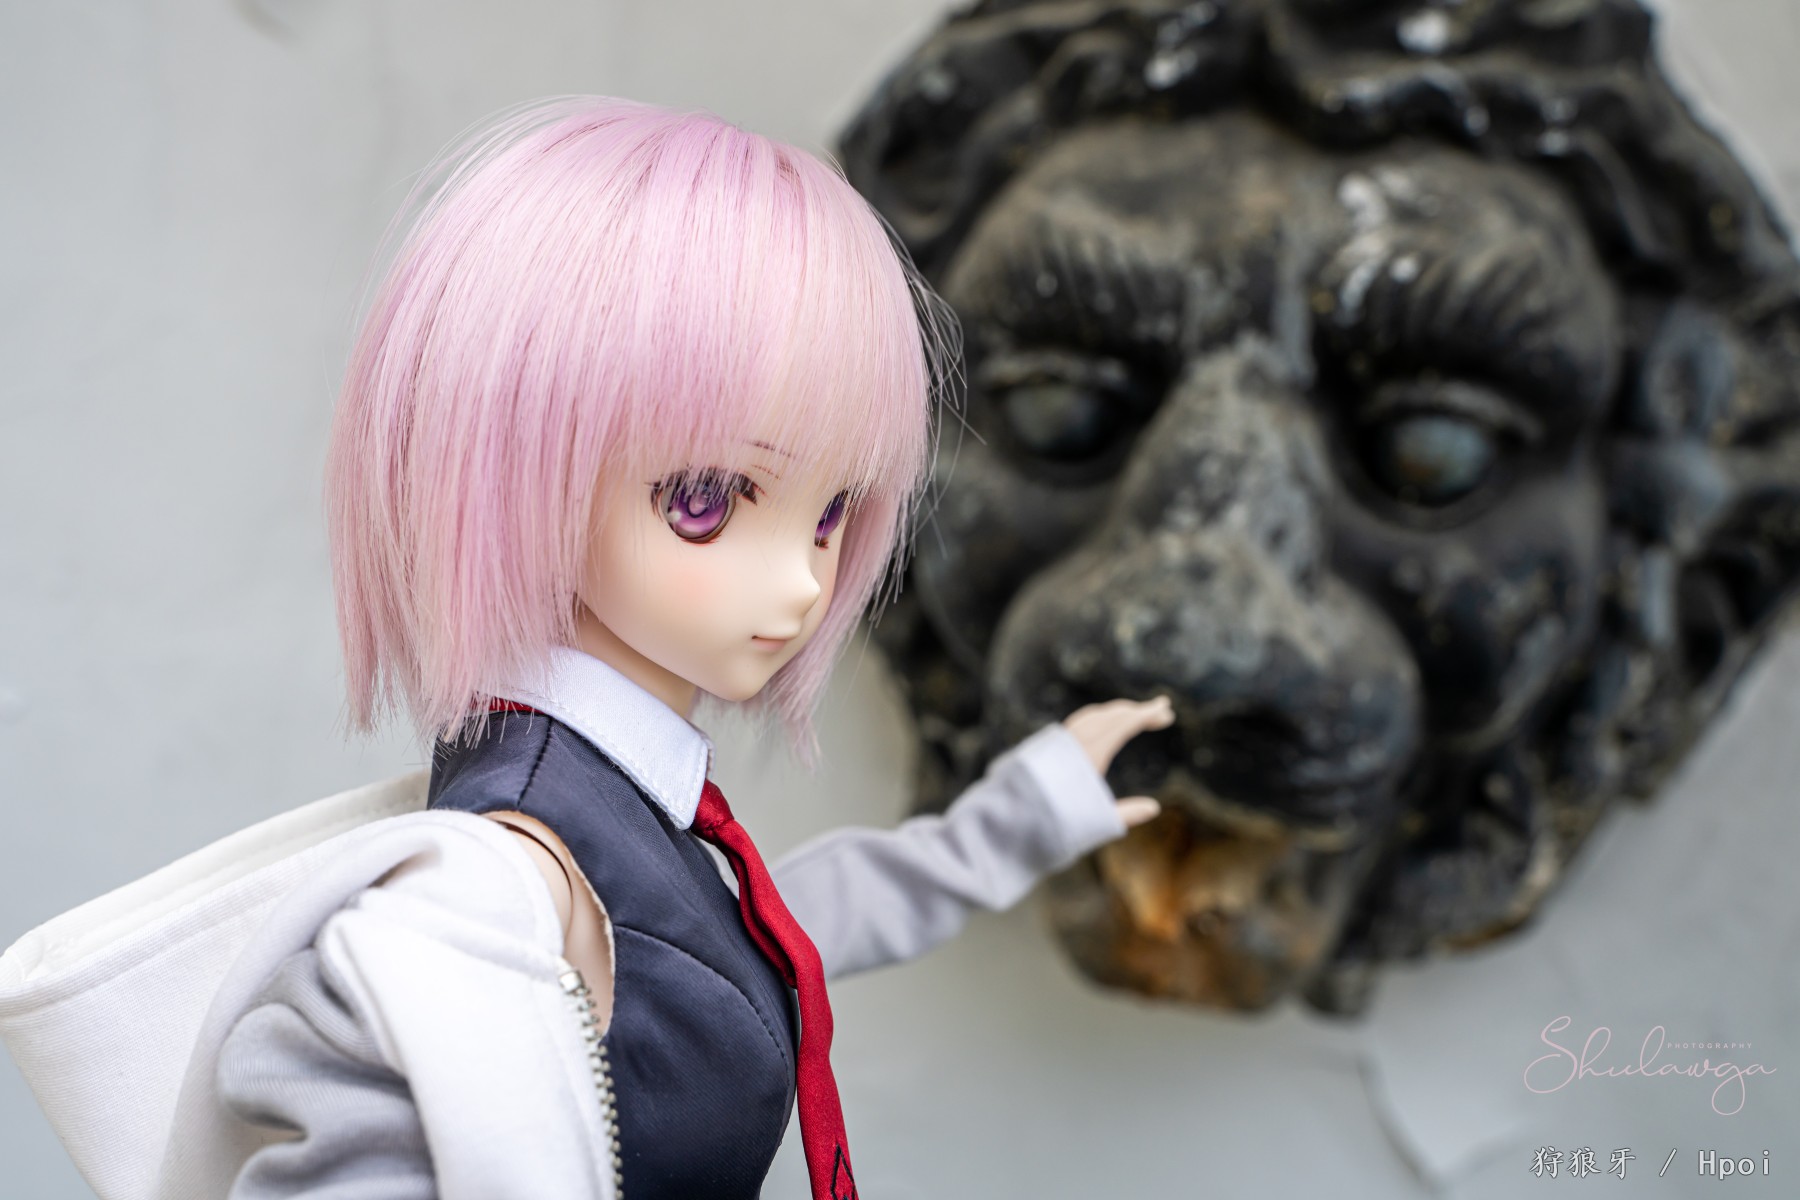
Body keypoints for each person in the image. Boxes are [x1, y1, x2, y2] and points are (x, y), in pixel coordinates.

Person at [0, 95, 1171, 1200]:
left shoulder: (612, 814)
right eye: (707, 500)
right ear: (518, 466)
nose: (804, 581)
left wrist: (1019, 819)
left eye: (831, 515)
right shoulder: (494, 881)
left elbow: (751, 934)